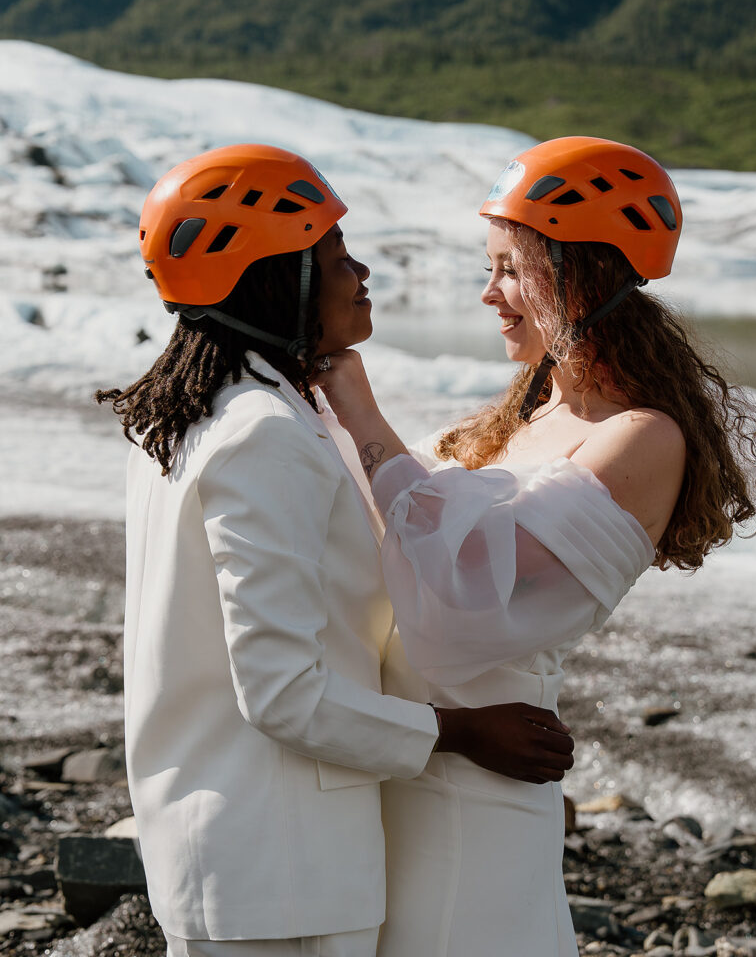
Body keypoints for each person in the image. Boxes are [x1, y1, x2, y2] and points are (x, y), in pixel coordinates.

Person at [96, 143, 574, 957]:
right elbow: (282, 692)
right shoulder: (263, 434)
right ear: (276, 279)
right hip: (288, 874)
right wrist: (460, 732)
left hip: (236, 856)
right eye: (336, 257)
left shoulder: (190, 413)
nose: (361, 274)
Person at [315, 136, 756, 957]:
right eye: (487, 268)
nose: (488, 292)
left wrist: (356, 405)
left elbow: (461, 586)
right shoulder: (525, 410)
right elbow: (384, 519)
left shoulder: (640, 437)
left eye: (510, 269)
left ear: (581, 275)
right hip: (406, 760)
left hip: (472, 793)